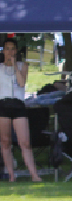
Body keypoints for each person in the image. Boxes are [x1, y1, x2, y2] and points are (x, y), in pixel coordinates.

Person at [0, 37, 43, 182]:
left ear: (16, 50)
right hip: (3, 105)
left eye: (12, 48)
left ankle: (34, 174)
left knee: (24, 142)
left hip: (18, 105)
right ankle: (11, 175)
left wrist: (14, 66)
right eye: (7, 48)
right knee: (5, 142)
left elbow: (21, 82)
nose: (10, 51)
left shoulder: (23, 65)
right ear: (3, 50)